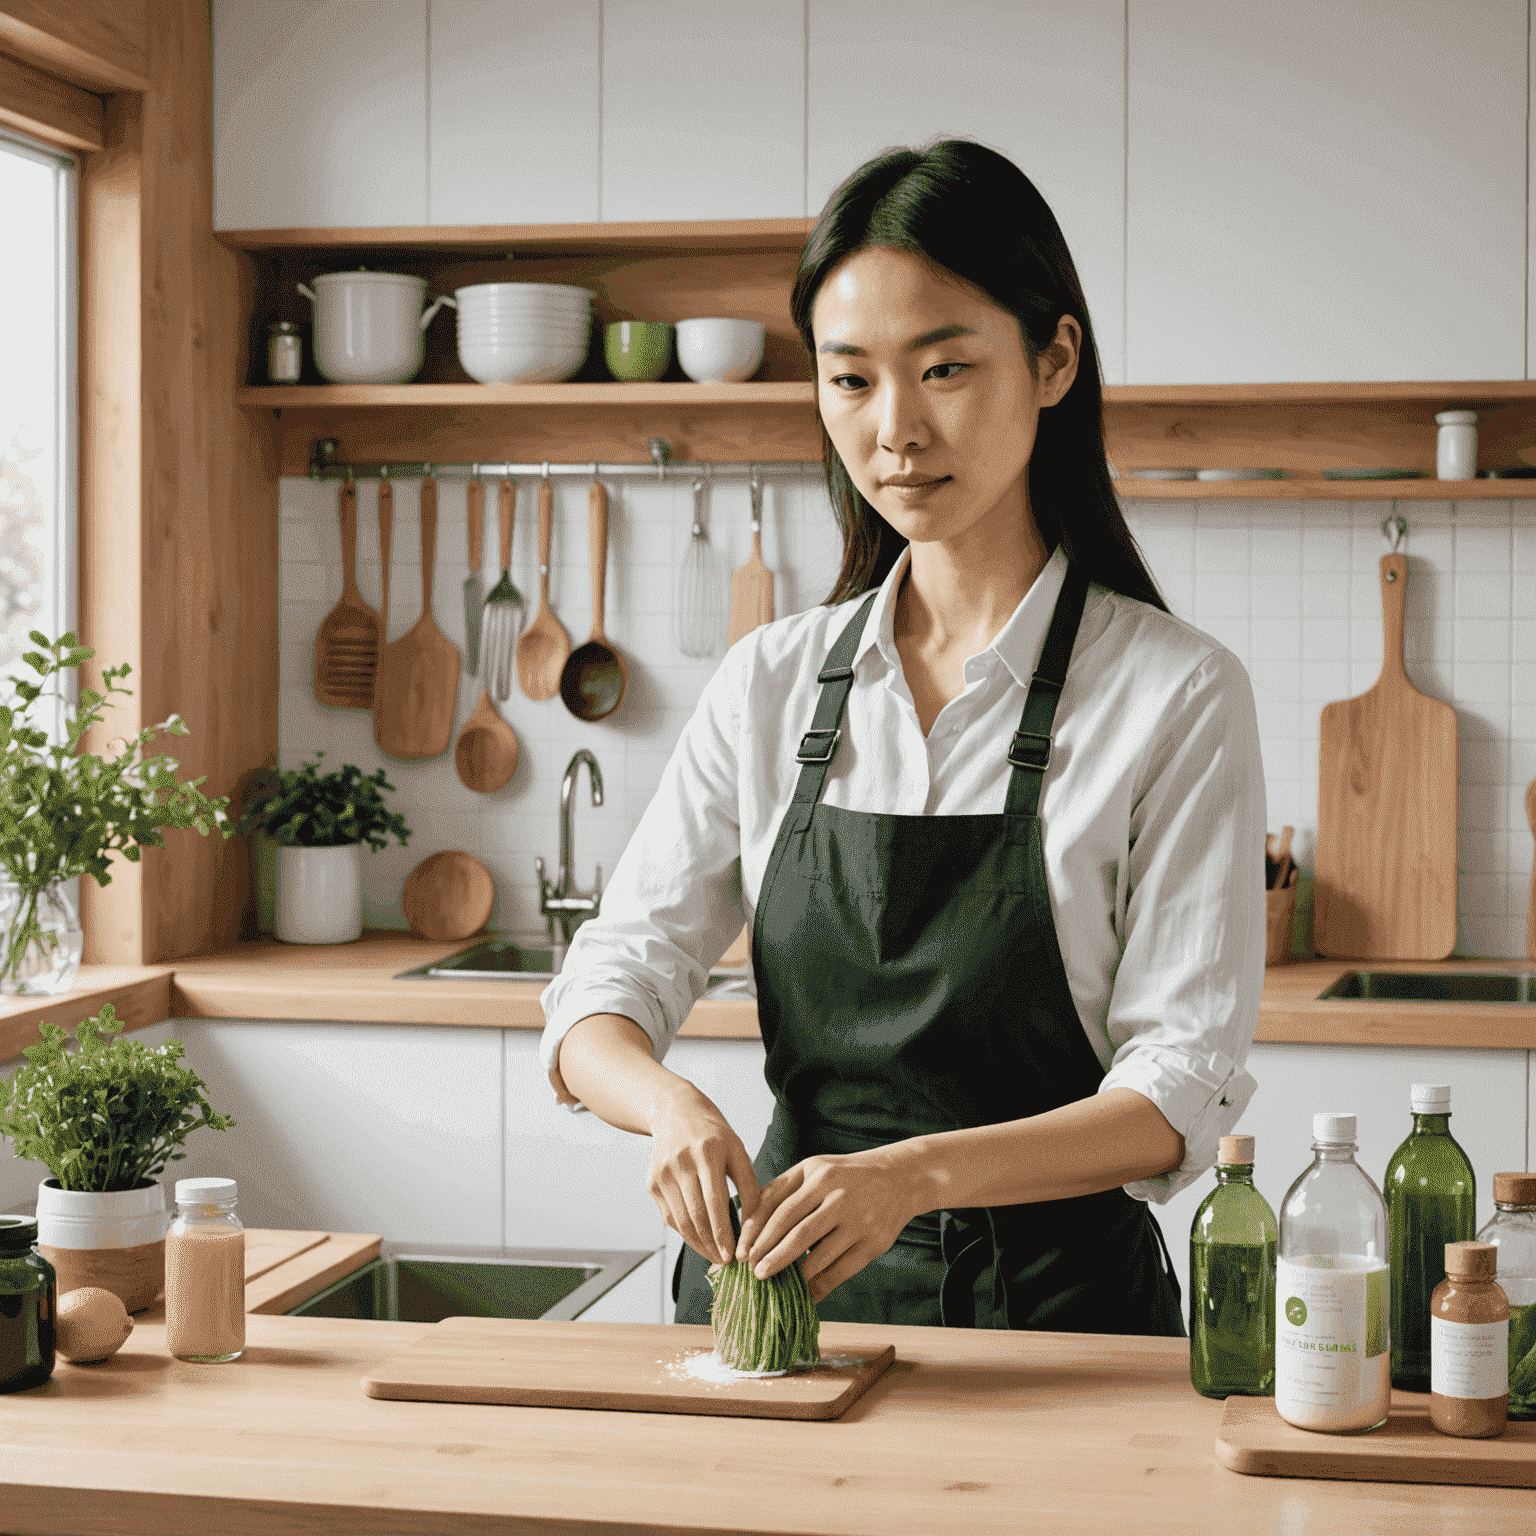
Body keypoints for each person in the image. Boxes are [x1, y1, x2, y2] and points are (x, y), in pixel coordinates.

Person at [539, 138, 1265, 1336]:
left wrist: (915, 1176)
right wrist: (672, 1109)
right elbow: (602, 993)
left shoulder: (1174, 693)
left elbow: (1172, 1089)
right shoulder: (768, 683)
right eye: (851, 380)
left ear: (1055, 360)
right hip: (782, 1322)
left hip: (1057, 1332)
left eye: (943, 369)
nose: (895, 430)